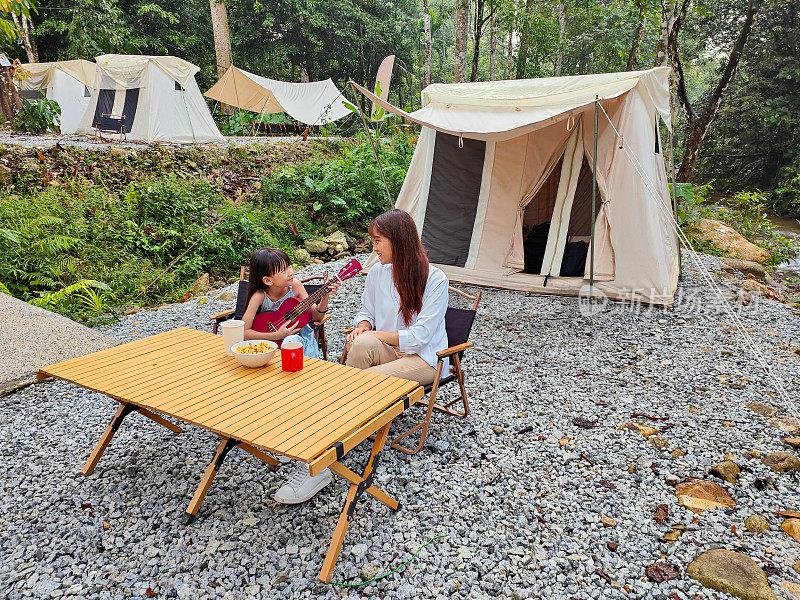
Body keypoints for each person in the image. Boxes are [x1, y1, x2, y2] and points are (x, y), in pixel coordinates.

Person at [241, 247, 340, 504]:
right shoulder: (259, 297)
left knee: (296, 339)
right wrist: (276, 336)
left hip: (302, 343)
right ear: (267, 280)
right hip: (272, 347)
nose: (291, 272)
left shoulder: (296, 286)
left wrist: (325, 298)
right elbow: (245, 332)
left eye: (289, 266)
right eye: (283, 269)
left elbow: (315, 317)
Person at [346, 209, 449, 385]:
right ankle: (355, 401)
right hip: (389, 350)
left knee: (366, 380)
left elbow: (418, 338)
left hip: (424, 358)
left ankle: (351, 403)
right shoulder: (377, 273)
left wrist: (373, 334)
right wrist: (363, 326)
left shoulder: (435, 279)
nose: (374, 248)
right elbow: (366, 312)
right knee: (360, 343)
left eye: (378, 241)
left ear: (398, 241)